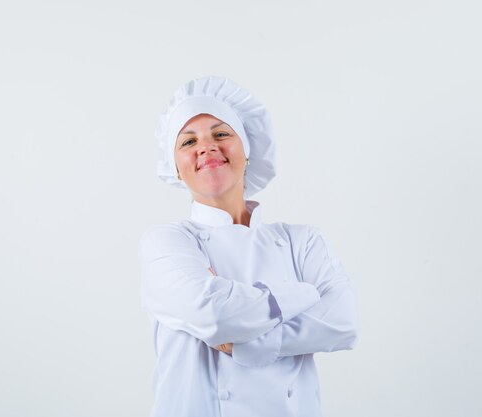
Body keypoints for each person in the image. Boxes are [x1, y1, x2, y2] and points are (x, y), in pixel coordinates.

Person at [139, 76, 359, 417]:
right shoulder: (167, 242)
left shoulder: (300, 240)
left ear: (248, 150)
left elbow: (344, 322)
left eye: (222, 134)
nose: (206, 147)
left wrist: (250, 342)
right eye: (188, 141)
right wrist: (301, 295)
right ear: (176, 169)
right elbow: (211, 313)